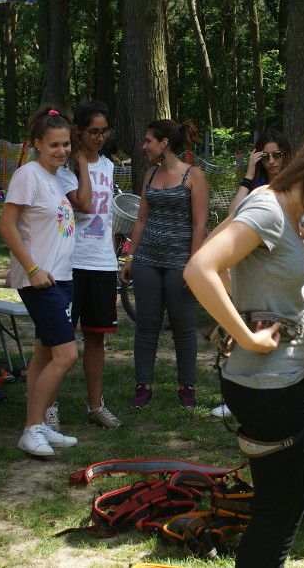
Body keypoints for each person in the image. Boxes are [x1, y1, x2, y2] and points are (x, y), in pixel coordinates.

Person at [185, 128, 304, 567]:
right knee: (277, 507)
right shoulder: (268, 209)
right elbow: (200, 267)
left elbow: (220, 255)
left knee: (301, 489)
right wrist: (243, 334)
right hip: (264, 383)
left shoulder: (282, 211)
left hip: (284, 377)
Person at [210, 128, 304, 419]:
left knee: (282, 338)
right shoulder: (260, 193)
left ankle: (258, 394)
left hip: (285, 270)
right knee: (254, 330)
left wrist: (290, 229)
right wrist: (248, 173)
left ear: (287, 154)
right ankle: (246, 393)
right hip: (256, 276)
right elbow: (232, 218)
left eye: (277, 155)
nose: (272, 162)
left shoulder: (299, 186)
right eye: (265, 156)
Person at [0, 105, 79, 457]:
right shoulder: (28, 175)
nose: (62, 151)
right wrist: (32, 269)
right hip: (40, 281)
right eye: (54, 146)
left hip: (61, 278)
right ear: (36, 145)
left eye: (66, 145)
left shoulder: (55, 178)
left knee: (45, 355)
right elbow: (6, 225)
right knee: (66, 354)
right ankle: (31, 428)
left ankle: (39, 424)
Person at [120, 119, 209, 409]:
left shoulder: (193, 176)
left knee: (183, 327)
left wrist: (192, 264)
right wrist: (131, 256)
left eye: (148, 140)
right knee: (146, 325)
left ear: (164, 143)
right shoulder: (149, 174)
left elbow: (199, 223)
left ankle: (187, 388)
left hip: (180, 262)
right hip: (147, 260)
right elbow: (142, 219)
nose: (144, 146)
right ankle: (143, 387)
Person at [59, 100, 121, 428]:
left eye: (103, 131)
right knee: (58, 338)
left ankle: (95, 406)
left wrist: (112, 256)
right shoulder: (65, 166)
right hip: (70, 261)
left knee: (96, 337)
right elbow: (82, 208)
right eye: (92, 131)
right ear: (79, 131)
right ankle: (49, 407)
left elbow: (106, 214)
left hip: (102, 262)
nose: (99, 137)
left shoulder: (110, 167)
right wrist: (82, 165)